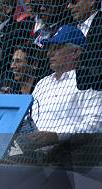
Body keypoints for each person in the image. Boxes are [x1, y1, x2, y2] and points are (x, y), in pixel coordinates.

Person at [19, 25, 102, 160]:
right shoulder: (42, 83)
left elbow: (96, 124)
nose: (49, 54)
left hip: (64, 155)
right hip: (29, 150)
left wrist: (57, 135)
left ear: (75, 52)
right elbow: (28, 118)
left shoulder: (88, 81)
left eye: (56, 48)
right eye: (49, 49)